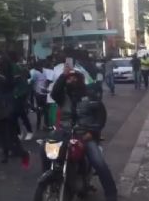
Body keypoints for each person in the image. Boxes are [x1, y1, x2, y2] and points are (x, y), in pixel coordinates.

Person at [50, 67, 117, 201]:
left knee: (99, 162)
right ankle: (51, 182)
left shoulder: (91, 95)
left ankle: (111, 193)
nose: (71, 80)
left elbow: (100, 117)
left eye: (74, 77)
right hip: (64, 134)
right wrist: (63, 75)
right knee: (46, 153)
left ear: (81, 79)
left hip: (84, 135)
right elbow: (54, 92)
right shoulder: (62, 97)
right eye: (69, 78)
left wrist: (92, 132)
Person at [29, 61, 49, 132]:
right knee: (42, 109)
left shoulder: (40, 72)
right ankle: (41, 124)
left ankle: (42, 124)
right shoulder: (39, 73)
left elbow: (32, 82)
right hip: (40, 93)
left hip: (42, 93)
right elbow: (33, 82)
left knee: (42, 109)